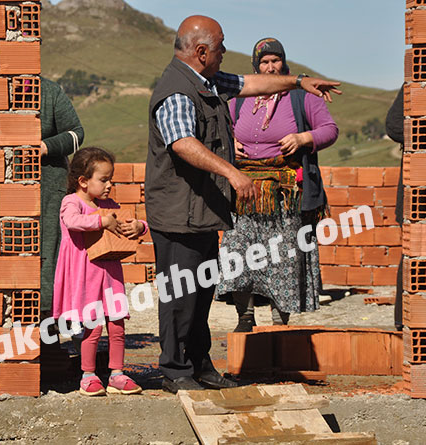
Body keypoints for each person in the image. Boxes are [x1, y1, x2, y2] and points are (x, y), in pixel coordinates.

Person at [146, 15, 341, 393]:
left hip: (200, 210)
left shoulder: (207, 81)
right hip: (177, 213)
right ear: (201, 52)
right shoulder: (177, 91)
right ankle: (175, 370)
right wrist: (232, 172)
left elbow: (251, 83)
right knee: (180, 295)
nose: (224, 52)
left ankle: (199, 365)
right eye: (220, 46)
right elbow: (183, 143)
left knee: (201, 294)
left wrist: (299, 82)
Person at [217, 38, 339, 332]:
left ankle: (277, 323)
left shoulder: (302, 96)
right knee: (238, 254)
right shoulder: (240, 98)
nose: (271, 67)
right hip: (245, 192)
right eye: (264, 62)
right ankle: (245, 318)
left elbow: (330, 130)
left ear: (284, 63)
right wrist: (231, 141)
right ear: (256, 66)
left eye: (275, 61)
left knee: (282, 258)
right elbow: (222, 128)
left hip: (285, 193)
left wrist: (303, 138)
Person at [52, 147, 147, 396]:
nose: (109, 185)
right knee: (92, 327)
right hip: (86, 276)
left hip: (111, 275)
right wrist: (101, 220)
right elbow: (72, 221)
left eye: (110, 179)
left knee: (117, 325)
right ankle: (88, 375)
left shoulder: (108, 205)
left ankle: (117, 374)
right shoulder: (71, 202)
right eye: (103, 179)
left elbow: (125, 220)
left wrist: (140, 226)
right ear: (83, 181)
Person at [39, 77, 85, 319]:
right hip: (4, 187)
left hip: (49, 186)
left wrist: (44, 147)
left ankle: (48, 316)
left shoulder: (49, 91)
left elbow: (76, 133)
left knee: (49, 248)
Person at [385, 85, 404, 331]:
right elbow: (394, 125)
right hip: (419, 192)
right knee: (414, 254)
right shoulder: (419, 83)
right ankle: (403, 320)